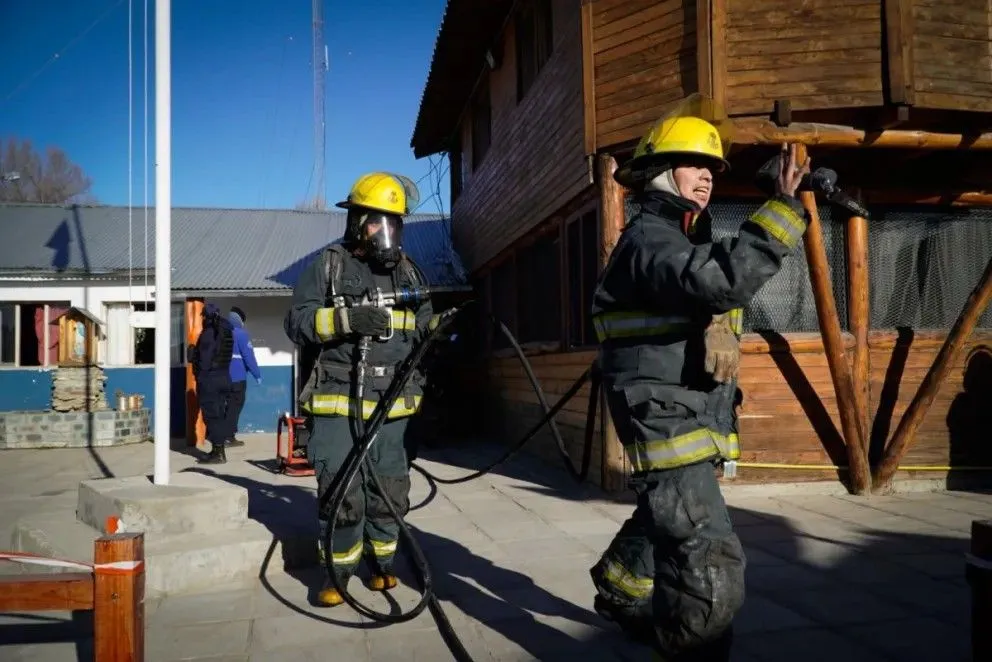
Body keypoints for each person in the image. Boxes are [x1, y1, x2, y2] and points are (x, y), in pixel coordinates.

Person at [587, 112, 811, 662]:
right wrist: (783, 207)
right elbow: (718, 280)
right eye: (693, 163)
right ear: (660, 172)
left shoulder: (676, 238)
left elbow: (703, 289)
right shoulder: (650, 240)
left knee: (668, 515)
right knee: (707, 560)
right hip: (665, 416)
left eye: (712, 167)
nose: (707, 175)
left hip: (682, 410)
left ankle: (621, 585)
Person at [283, 171, 434, 607]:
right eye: (376, 223)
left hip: (392, 408)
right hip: (339, 404)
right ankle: (337, 575)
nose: (385, 233)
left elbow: (423, 327)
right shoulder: (329, 266)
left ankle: (382, 565)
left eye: (393, 223)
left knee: (389, 491)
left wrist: (438, 330)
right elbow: (297, 322)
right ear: (357, 223)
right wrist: (347, 321)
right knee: (341, 492)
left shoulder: (409, 273)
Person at [189, 302, 237, 465]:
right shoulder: (226, 331)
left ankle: (219, 453)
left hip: (211, 379)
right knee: (220, 415)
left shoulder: (209, 333)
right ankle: (217, 450)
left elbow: (205, 361)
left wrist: (193, 356)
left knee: (212, 416)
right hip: (224, 377)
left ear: (206, 317)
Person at [224, 306, 262, 447]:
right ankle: (228, 437)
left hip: (222, 376)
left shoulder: (222, 333)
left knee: (226, 406)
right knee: (235, 407)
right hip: (237, 378)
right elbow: (248, 357)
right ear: (240, 320)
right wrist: (257, 374)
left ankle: (221, 434)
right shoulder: (241, 334)